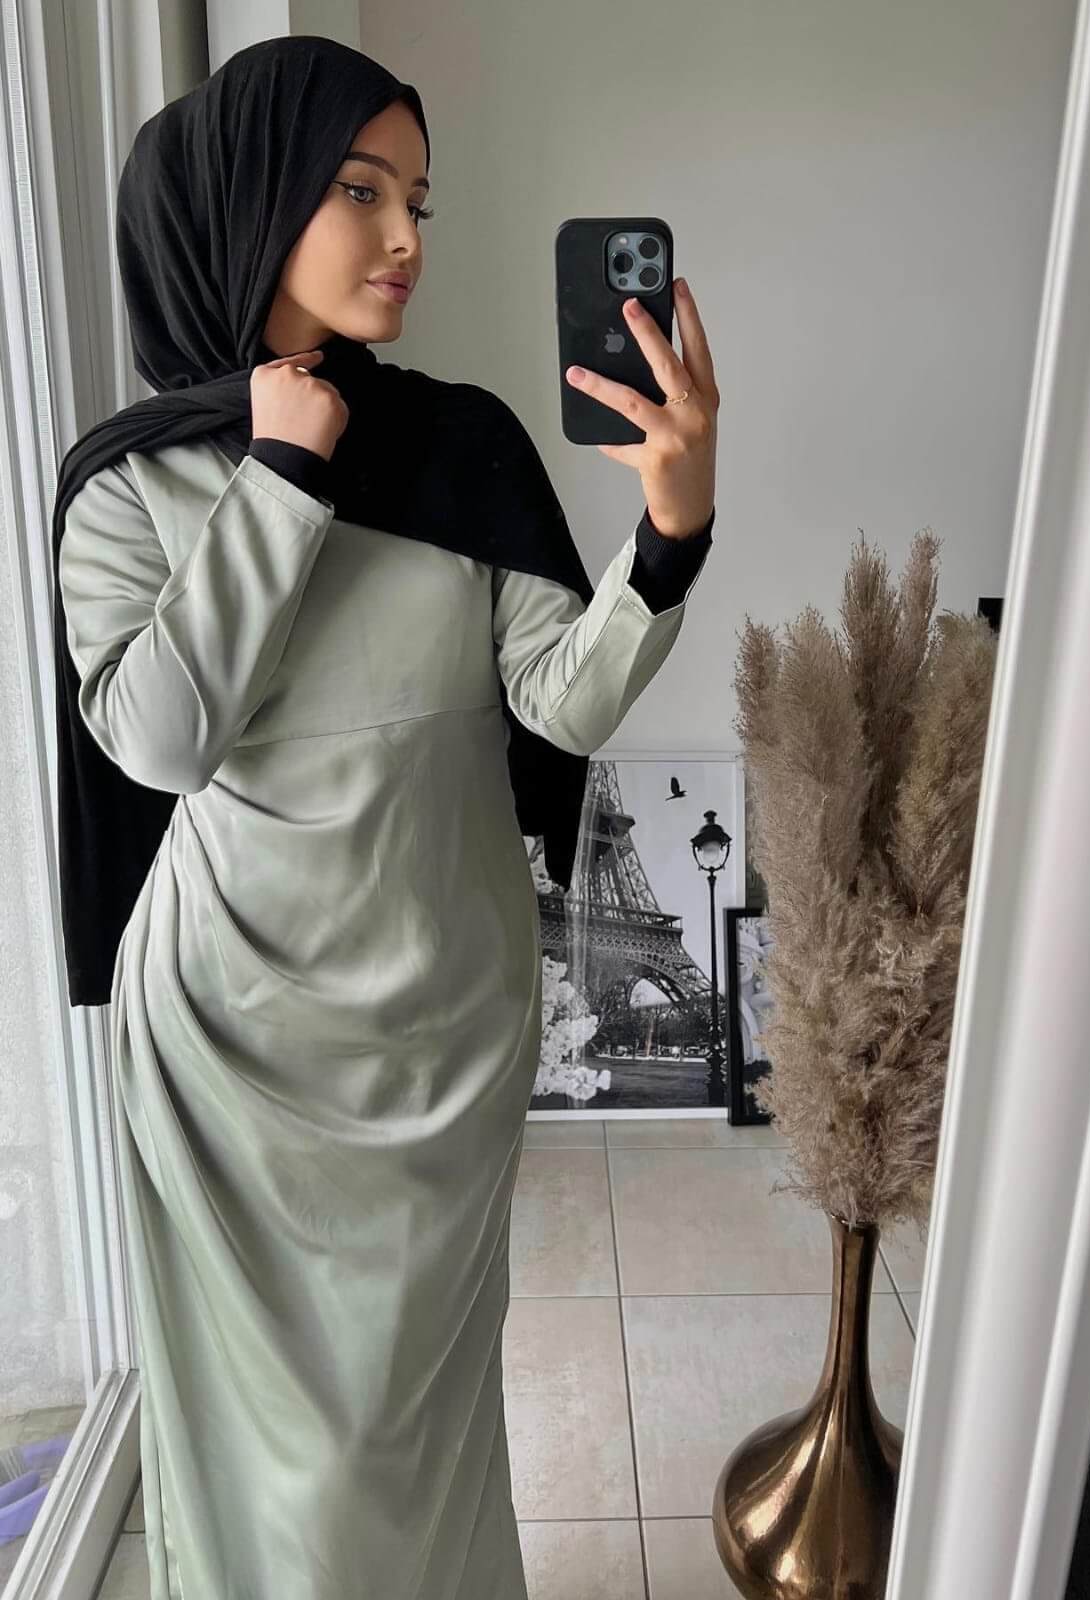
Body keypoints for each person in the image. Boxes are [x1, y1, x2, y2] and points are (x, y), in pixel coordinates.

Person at [54, 36, 718, 1600]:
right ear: (253, 202)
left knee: (417, 1433)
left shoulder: (463, 445)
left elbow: (560, 700)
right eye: (362, 191)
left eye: (420, 197)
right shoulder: (127, 489)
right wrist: (284, 476)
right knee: (271, 1457)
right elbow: (161, 740)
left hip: (440, 1033)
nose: (409, 236)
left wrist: (670, 529)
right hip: (235, 1057)